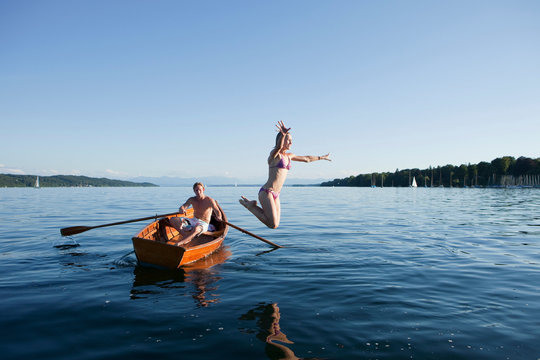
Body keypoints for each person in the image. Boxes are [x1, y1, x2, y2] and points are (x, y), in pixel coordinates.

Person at [239, 121, 330, 228]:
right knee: (272, 224)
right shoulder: (274, 156)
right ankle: (250, 207)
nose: (291, 143)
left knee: (275, 225)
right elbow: (278, 147)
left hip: (276, 195)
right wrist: (282, 135)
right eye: (289, 140)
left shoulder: (289, 156)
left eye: (291, 140)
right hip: (267, 192)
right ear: (282, 140)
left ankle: (251, 206)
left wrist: (321, 157)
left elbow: (307, 159)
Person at [161, 182, 223, 246]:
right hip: (193, 221)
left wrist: (219, 217)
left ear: (203, 190)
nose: (198, 192)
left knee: (196, 229)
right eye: (196, 190)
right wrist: (181, 209)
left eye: (200, 190)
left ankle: (180, 242)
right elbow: (184, 206)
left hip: (204, 223)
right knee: (173, 219)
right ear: (194, 191)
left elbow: (217, 211)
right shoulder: (192, 199)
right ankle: (186, 236)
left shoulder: (210, 200)